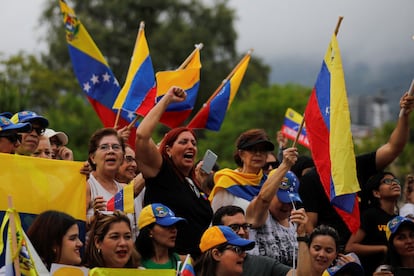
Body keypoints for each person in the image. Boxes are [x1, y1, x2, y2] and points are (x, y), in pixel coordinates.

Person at [299, 92, 414, 248]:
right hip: (333, 256)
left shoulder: (358, 165)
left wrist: (405, 116)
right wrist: (326, 254)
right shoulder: (311, 179)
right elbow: (310, 224)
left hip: (363, 256)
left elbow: (394, 147)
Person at [135, 86, 212, 258]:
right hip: (166, 264)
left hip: (195, 265)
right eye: (183, 142)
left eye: (193, 143)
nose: (190, 146)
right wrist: (167, 99)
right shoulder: (161, 172)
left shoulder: (193, 184)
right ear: (168, 150)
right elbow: (141, 135)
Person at [212, 205, 310, 276]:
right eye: (234, 227)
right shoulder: (205, 265)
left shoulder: (263, 265)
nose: (242, 232)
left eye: (245, 226)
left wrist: (302, 235)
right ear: (216, 254)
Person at [210, 128, 279, 213]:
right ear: (241, 154)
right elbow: (216, 219)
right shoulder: (227, 182)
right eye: (253, 149)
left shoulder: (269, 183)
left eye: (262, 150)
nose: (258, 153)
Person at [345, 172, 400, 276]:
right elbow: (350, 247)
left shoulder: (398, 219)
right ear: (376, 193)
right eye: (387, 181)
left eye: (396, 181)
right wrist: (383, 248)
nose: (394, 183)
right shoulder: (370, 215)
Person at [246, 170, 303, 266]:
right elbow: (263, 199)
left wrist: (303, 234)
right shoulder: (258, 215)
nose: (287, 206)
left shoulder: (295, 222)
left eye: (291, 201)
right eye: (283, 200)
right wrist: (286, 164)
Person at [86, 128, 125, 226]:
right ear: (92, 157)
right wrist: (94, 219)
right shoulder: (87, 185)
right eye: (104, 147)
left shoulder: (124, 190)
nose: (111, 151)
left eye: (116, 147)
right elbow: (75, 226)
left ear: (122, 157)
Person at [135, 203, 187, 270]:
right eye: (166, 225)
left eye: (175, 225)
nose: (174, 230)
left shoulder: (184, 263)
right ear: (149, 230)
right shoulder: (134, 264)